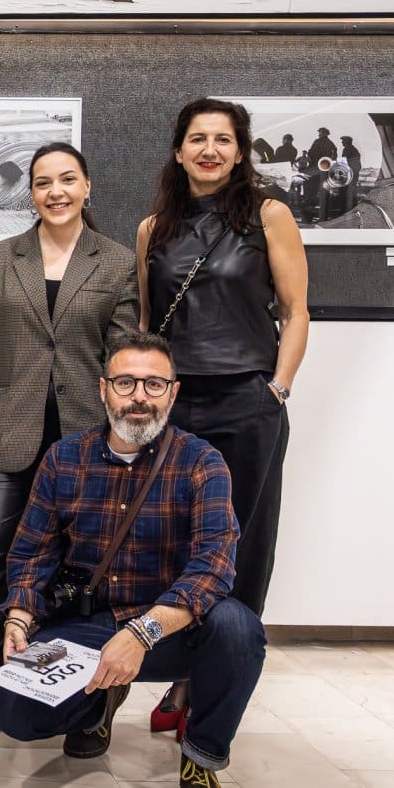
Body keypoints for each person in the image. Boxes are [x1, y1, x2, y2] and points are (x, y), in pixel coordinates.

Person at [0, 331, 264, 788]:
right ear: (104, 390)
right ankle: (100, 704)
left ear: (172, 392)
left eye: (154, 384)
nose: (139, 397)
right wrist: (18, 617)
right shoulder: (64, 458)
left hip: (171, 629)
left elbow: (214, 565)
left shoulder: (202, 461)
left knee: (239, 629)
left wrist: (142, 633)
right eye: (125, 383)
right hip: (90, 626)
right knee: (15, 711)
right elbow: (32, 553)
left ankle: (202, 752)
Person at [0, 142, 139, 743]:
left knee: (84, 564)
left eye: (67, 179)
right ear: (29, 193)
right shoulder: (0, 259)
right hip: (11, 431)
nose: (55, 191)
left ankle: (88, 697)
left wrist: (124, 433)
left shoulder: (116, 262)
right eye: (42, 182)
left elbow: (123, 355)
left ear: (87, 187)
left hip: (88, 438)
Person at [138, 97, 307, 741]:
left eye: (224, 140)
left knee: (241, 542)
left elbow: (295, 311)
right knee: (171, 540)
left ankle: (209, 686)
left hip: (247, 401)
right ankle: (177, 666)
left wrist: (278, 389)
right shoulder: (154, 228)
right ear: (178, 150)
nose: (210, 150)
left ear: (240, 152)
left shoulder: (269, 215)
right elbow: (148, 324)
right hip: (173, 406)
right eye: (198, 139)